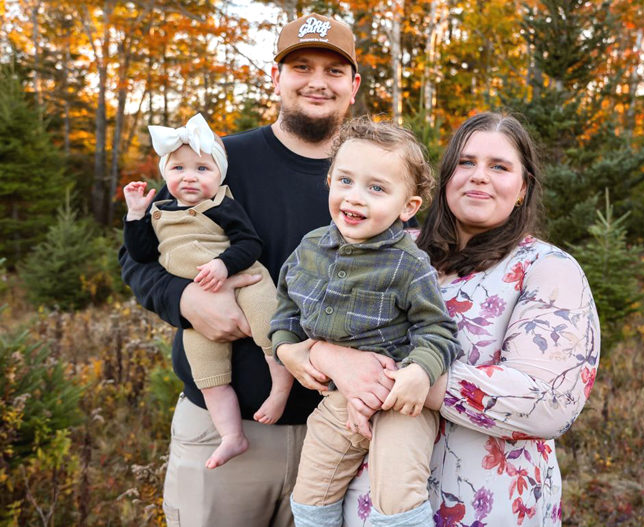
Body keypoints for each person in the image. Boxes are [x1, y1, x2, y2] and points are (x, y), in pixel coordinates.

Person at [119, 12, 394, 527]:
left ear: (353, 86)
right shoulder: (216, 161)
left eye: (334, 71)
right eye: (302, 67)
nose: (317, 82)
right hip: (227, 431)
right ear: (276, 77)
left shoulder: (376, 176)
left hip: (341, 435)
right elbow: (137, 257)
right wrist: (186, 300)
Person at [291, 112, 601, 526]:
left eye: (499, 167)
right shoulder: (391, 246)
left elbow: (549, 403)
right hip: (367, 503)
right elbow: (316, 313)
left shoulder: (546, 269)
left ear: (522, 187)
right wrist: (326, 356)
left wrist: (415, 376)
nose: (479, 176)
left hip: (483, 507)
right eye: (466, 162)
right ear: (446, 175)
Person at [271, 118, 459, 527]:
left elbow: (439, 330)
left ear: (407, 206)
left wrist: (419, 373)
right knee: (309, 495)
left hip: (399, 400)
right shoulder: (310, 248)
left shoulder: (409, 265)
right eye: (345, 181)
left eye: (376, 188)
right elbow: (285, 306)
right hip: (339, 397)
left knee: (395, 497)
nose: (355, 198)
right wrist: (288, 347)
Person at [122, 113, 294, 470]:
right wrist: (135, 216)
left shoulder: (221, 204)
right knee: (209, 376)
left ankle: (279, 390)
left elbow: (250, 243)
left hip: (246, 278)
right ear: (167, 175)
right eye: (179, 169)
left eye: (202, 169)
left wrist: (223, 264)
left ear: (219, 176)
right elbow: (139, 256)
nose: (190, 177)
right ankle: (231, 435)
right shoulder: (159, 211)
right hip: (197, 312)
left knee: (270, 332)